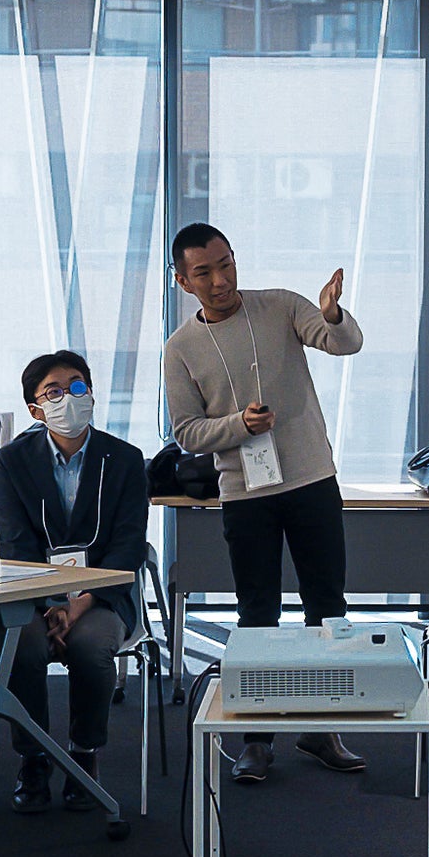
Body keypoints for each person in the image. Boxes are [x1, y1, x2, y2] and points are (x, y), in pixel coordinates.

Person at [162, 222, 367, 784]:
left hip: (311, 479)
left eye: (226, 264)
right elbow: (186, 432)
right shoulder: (180, 349)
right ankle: (257, 738)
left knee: (327, 605)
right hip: (245, 493)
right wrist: (239, 425)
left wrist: (331, 314)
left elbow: (345, 344)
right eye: (204, 272)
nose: (220, 280)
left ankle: (322, 727)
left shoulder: (279, 306)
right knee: (257, 612)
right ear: (183, 281)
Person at [0, 350, 150, 813]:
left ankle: (84, 754)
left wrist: (79, 603)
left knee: (91, 646)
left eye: (77, 386)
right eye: (54, 391)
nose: (69, 397)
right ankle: (34, 756)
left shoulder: (124, 459)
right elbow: (15, 543)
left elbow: (128, 545)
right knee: (20, 644)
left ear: (92, 394)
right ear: (35, 409)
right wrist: (49, 604)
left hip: (101, 596)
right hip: (32, 594)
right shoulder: (12, 461)